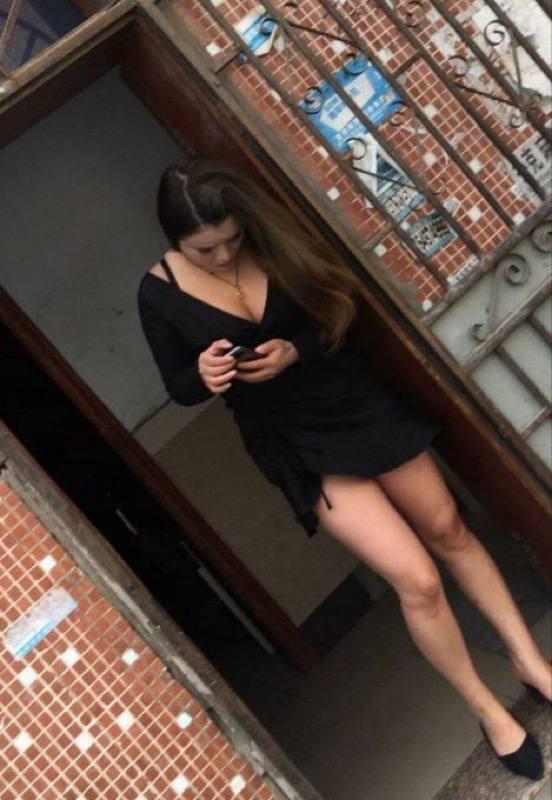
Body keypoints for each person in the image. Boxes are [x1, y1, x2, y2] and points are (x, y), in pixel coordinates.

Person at [138, 156, 550, 781]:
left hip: (352, 402)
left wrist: (294, 349)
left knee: (449, 531)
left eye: (230, 240)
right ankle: (488, 710)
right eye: (205, 249)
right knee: (416, 579)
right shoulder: (157, 294)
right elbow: (179, 386)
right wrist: (203, 374)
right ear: (175, 242)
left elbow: (338, 307)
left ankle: (531, 662)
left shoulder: (272, 241)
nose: (222, 256)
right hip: (295, 443)